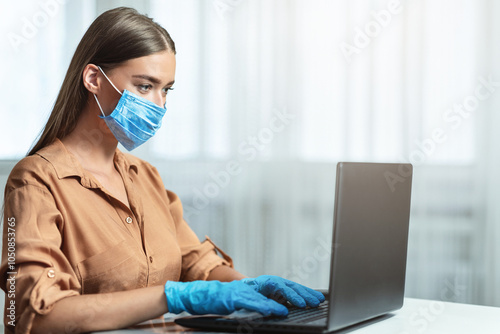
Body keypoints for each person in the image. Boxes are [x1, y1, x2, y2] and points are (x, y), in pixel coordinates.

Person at [0, 7, 324, 334]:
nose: (159, 104)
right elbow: (35, 315)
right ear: (94, 79)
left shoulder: (144, 177)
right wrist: (172, 297)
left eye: (166, 89)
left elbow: (196, 263)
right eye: (145, 86)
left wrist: (249, 286)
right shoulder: (34, 182)